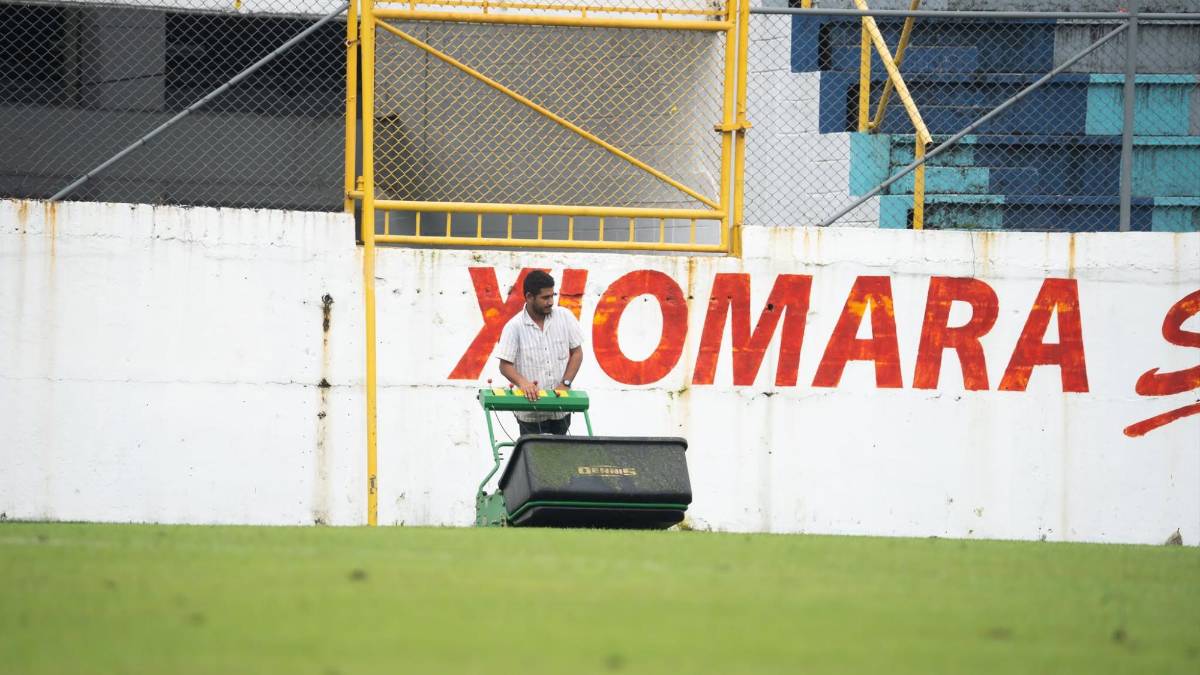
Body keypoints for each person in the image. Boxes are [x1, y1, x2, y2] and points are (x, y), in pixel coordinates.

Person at [495, 270, 584, 436]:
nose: (551, 302)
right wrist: (523, 383)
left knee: (561, 457)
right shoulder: (514, 326)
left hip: (561, 408)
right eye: (545, 298)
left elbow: (577, 353)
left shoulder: (565, 316)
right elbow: (505, 365)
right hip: (530, 412)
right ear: (529, 297)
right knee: (535, 459)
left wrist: (565, 383)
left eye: (552, 296)